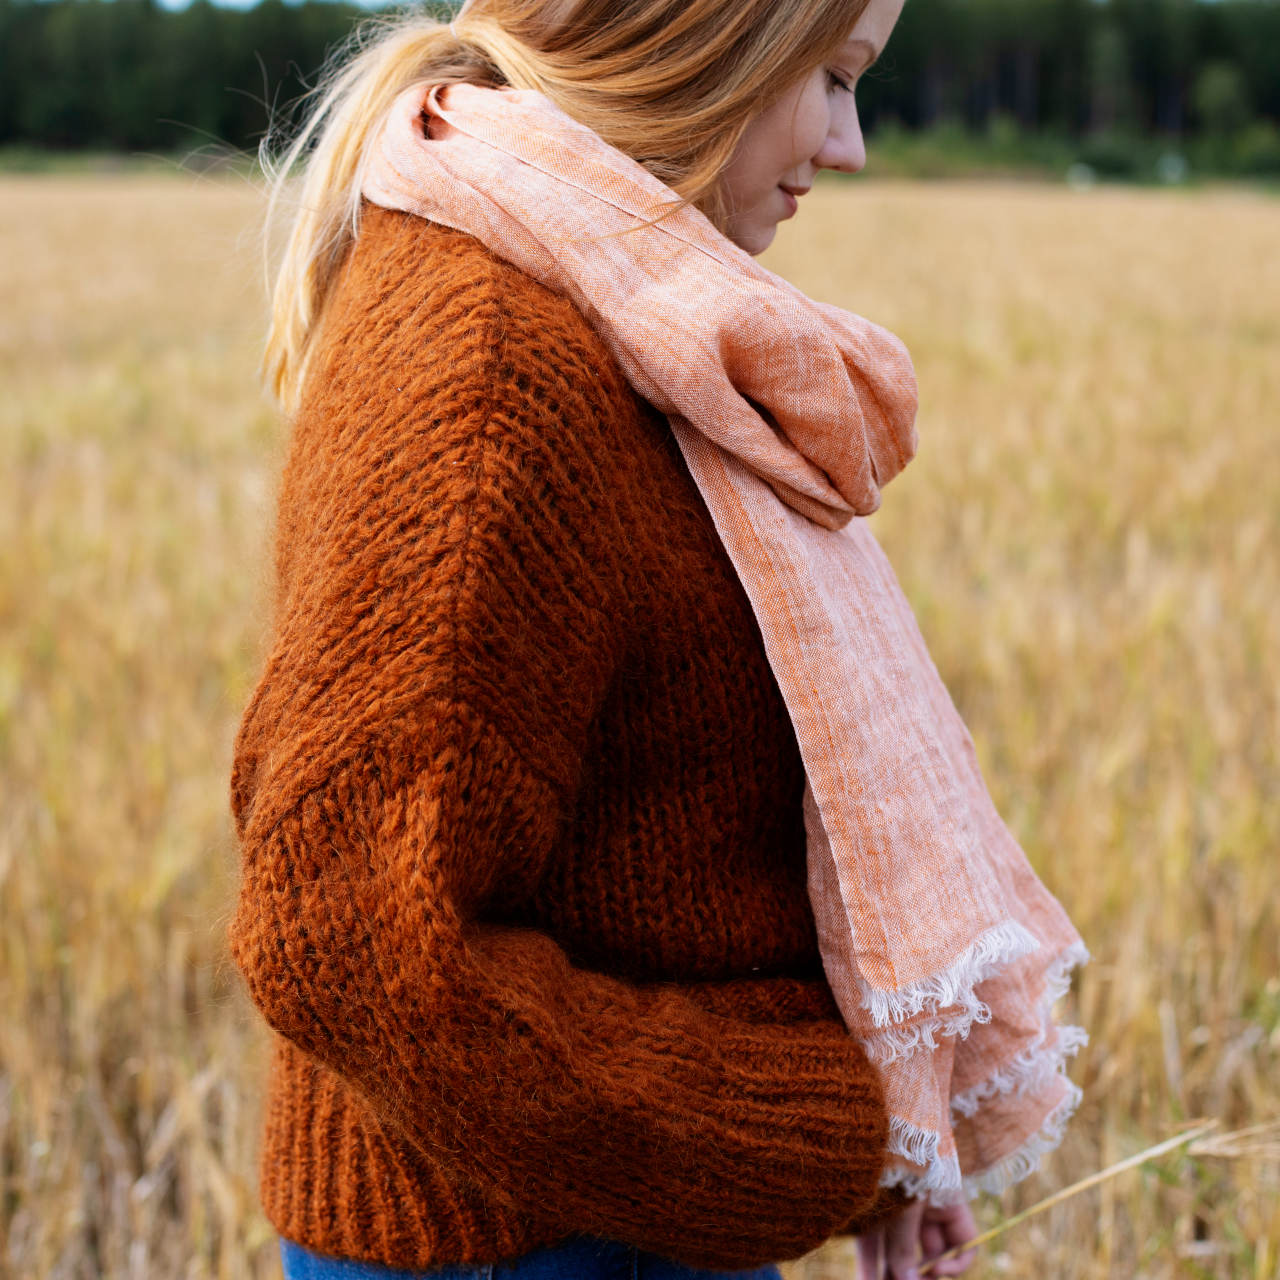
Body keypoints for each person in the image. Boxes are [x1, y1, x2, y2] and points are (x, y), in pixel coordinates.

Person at [229, 1, 986, 1277]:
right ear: (710, 41)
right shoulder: (491, 370)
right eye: (831, 75)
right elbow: (350, 930)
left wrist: (862, 1143)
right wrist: (797, 1138)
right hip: (523, 1242)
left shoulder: (609, 306)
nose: (846, 144)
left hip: (590, 1210)